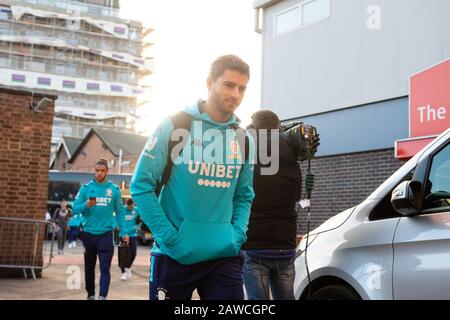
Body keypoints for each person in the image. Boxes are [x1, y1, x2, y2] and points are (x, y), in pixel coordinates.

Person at [130, 54, 255, 300]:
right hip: (174, 256)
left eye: (242, 88)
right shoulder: (175, 126)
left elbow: (244, 195)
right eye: (229, 85)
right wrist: (168, 236)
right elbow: (141, 186)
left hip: (223, 256)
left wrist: (237, 234)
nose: (236, 95)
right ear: (210, 83)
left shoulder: (243, 140)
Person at [242, 109, 302, 300]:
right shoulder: (292, 153)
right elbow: (297, 195)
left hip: (255, 243)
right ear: (278, 126)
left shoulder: (248, 150)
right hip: (285, 243)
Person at [73, 158, 128, 300]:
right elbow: (74, 209)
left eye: (102, 171)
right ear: (94, 171)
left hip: (106, 235)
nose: (99, 173)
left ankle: (102, 296)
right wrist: (86, 205)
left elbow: (120, 212)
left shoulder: (114, 190)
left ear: (107, 172)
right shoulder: (86, 189)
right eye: (97, 170)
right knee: (89, 267)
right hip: (89, 234)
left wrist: (124, 231)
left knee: (105, 268)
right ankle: (90, 294)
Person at [119, 198, 141, 280]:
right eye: (128, 206)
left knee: (133, 253)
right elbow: (119, 221)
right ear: (126, 205)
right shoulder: (122, 210)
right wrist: (124, 232)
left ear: (133, 205)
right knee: (123, 254)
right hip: (124, 235)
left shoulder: (137, 210)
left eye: (131, 207)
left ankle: (128, 267)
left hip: (133, 235)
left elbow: (140, 221)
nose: (129, 208)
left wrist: (136, 227)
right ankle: (123, 272)